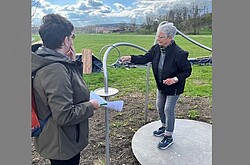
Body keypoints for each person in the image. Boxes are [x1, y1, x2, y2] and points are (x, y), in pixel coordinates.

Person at [31, 13, 100, 165]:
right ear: (65, 40)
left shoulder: (55, 63)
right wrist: (91, 106)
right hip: (61, 143)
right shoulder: (55, 70)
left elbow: (74, 88)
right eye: (71, 36)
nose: (72, 40)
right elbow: (64, 115)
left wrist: (72, 62)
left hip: (62, 139)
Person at [120, 22, 192, 150]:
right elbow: (144, 58)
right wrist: (129, 58)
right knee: (159, 106)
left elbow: (187, 71)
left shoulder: (179, 53)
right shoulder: (156, 49)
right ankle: (164, 126)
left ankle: (168, 136)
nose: (158, 39)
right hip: (161, 86)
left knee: (168, 109)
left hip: (174, 87)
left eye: (161, 37)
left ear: (170, 38)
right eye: (158, 36)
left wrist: (175, 79)